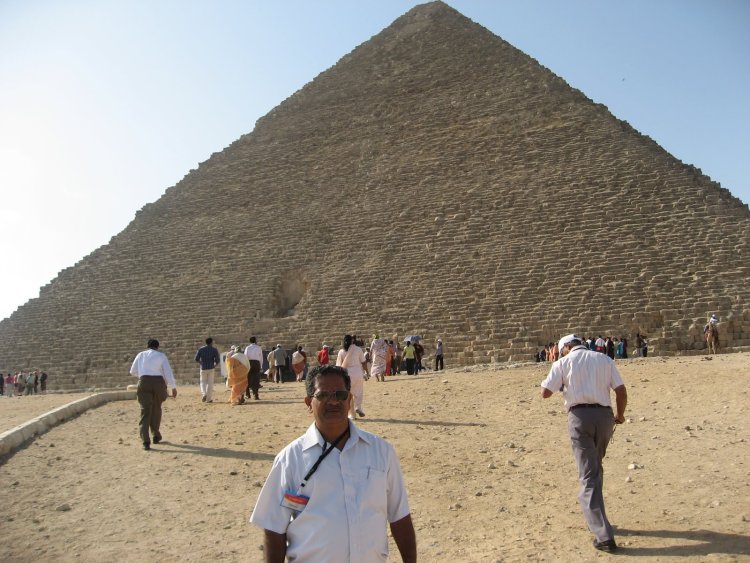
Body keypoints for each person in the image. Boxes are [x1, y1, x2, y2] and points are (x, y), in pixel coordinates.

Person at [249, 365, 417, 562]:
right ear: (308, 403)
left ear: (350, 399)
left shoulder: (381, 452)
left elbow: (400, 518)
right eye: (323, 395)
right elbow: (274, 530)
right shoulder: (290, 459)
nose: (334, 401)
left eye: (340, 394)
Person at [540, 334, 627, 552]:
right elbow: (621, 391)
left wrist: (562, 379)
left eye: (561, 350)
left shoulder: (563, 363)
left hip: (580, 419)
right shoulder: (604, 359)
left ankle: (603, 536)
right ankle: (598, 518)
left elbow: (545, 393)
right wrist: (620, 415)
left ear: (566, 347)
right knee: (595, 468)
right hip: (605, 418)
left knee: (588, 474)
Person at [130, 339, 178, 450]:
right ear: (157, 346)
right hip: (158, 383)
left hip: (144, 382)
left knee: (145, 411)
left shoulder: (141, 355)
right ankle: (156, 435)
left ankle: (145, 441)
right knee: (156, 409)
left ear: (148, 346)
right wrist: (173, 387)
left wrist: (143, 376)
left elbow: (132, 371)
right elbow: (168, 372)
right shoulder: (161, 356)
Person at [336, 334, 367, 418]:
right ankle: (358, 407)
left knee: (349, 394)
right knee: (359, 392)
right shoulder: (358, 349)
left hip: (346, 375)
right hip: (357, 373)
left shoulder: (341, 351)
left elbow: (339, 365)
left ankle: (352, 414)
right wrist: (366, 372)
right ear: (352, 341)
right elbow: (363, 362)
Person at [195, 337, 221, 403]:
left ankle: (204, 394)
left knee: (203, 382)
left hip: (203, 368)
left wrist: (201, 363)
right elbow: (217, 360)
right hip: (211, 368)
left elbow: (196, 359)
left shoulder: (201, 349)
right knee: (210, 384)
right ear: (211, 342)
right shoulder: (214, 350)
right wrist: (215, 365)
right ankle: (208, 399)